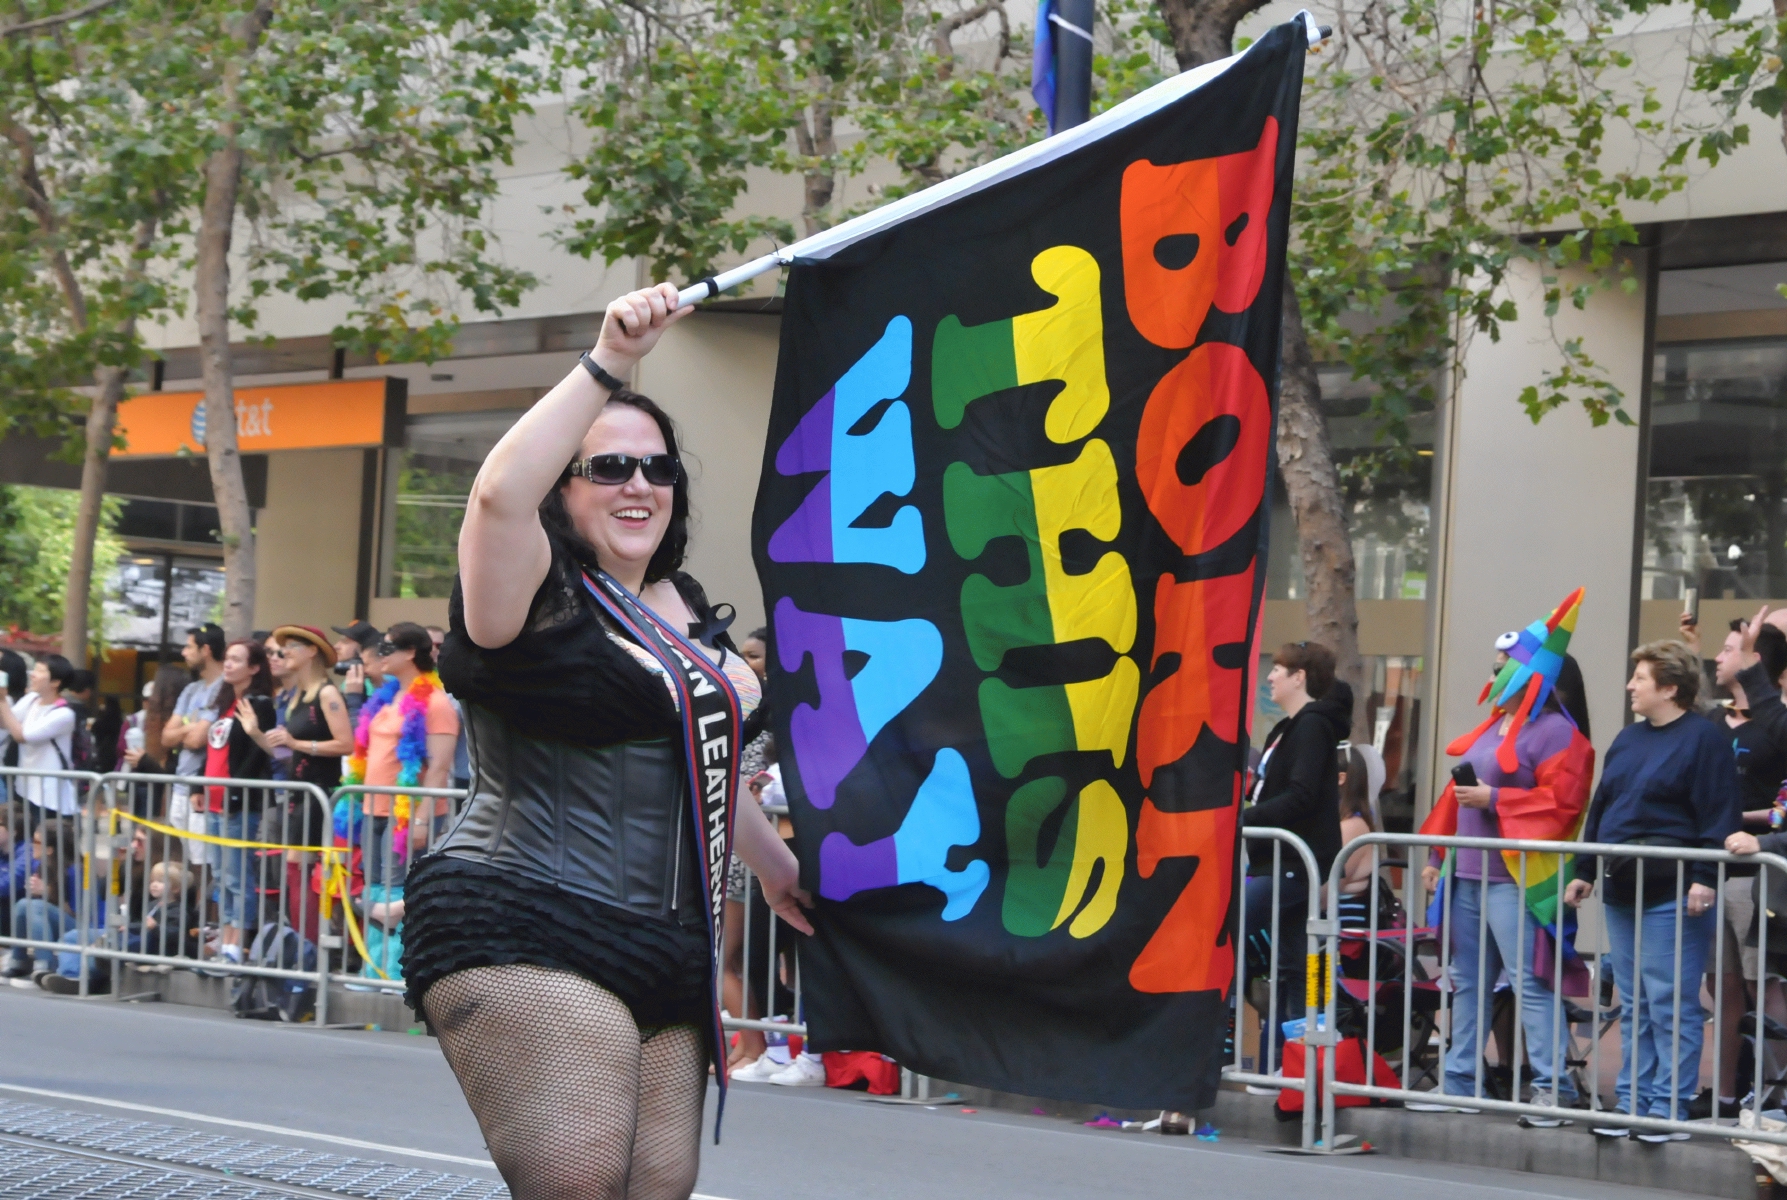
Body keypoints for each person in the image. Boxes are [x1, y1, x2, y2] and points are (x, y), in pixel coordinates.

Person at [403, 282, 809, 1200]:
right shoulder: (527, 595)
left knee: (652, 1190)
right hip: (522, 916)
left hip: (670, 945)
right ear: (563, 487)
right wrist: (611, 362)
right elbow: (498, 494)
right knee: (578, 1182)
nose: (639, 486)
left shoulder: (685, 608)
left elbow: (699, 765)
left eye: (658, 469)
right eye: (610, 468)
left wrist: (776, 872)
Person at [1415, 593, 1595, 1119]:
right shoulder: (1492, 727)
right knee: (1468, 981)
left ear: (1529, 676)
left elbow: (1563, 804)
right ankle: (1460, 1080)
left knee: (1529, 984)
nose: (1494, 675)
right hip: (1467, 872)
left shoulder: (1559, 732)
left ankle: (1551, 1088)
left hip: (1514, 879)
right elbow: (1454, 794)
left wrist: (1497, 799)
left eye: (1504, 667)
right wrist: (1435, 853)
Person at [1564, 639, 1742, 1139]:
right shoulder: (1628, 739)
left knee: (1670, 1001)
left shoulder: (1703, 740)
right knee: (1637, 998)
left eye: (1640, 678)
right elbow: (1602, 809)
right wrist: (1584, 868)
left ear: (1669, 687)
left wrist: (1705, 879)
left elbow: (1717, 810)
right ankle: (1635, 1102)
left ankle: (1667, 1107)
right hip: (1623, 884)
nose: (1630, 686)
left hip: (1674, 887)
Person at [1686, 612, 1787, 1118]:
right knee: (1721, 987)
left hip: (1760, 874)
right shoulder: (1712, 721)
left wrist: (1752, 825)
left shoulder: (1776, 720)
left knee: (1761, 986)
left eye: (1738, 649)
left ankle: (1775, 1097)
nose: (1729, 655)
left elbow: (1782, 802)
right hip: (1715, 871)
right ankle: (1726, 1095)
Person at [1240, 641, 1350, 1067]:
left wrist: (1243, 819)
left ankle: (1287, 1065)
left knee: (1227, 939)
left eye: (1278, 669)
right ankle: (1280, 1068)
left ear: (1300, 677)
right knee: (1289, 968)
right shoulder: (1290, 728)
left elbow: (1301, 795)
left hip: (1289, 864)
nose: (1270, 677)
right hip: (1279, 862)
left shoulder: (1310, 727)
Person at [343, 622, 458, 979]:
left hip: (407, 814)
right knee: (377, 892)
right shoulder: (385, 696)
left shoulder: (436, 702)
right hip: (374, 808)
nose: (380, 655)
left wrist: (422, 819)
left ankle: (394, 977)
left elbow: (439, 767)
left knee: (396, 894)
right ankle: (373, 971)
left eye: (387, 648)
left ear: (411, 653)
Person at [202, 639, 278, 962]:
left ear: (254, 667)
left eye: (236, 659)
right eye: (227, 659)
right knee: (220, 874)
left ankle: (236, 942)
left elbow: (258, 756)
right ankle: (224, 934)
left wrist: (234, 790)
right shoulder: (225, 703)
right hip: (213, 800)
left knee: (237, 875)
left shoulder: (258, 703)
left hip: (239, 802)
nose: (228, 664)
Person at [164, 624, 227, 858]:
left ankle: (202, 897)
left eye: (189, 647)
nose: (183, 652)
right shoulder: (192, 689)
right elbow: (166, 737)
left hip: (202, 789)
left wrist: (185, 731)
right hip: (181, 786)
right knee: (184, 858)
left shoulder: (223, 688)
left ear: (206, 650)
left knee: (204, 861)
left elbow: (197, 741)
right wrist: (191, 727)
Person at [0, 654, 80, 816]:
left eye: (40, 671)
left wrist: (2, 699)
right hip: (24, 788)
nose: (32, 674)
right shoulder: (31, 699)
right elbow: (5, 723)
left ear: (55, 682)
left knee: (44, 838)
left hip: (50, 796)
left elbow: (21, 736)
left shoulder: (63, 714)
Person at [3, 818, 79, 986]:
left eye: (37, 841)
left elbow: (79, 914)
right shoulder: (41, 865)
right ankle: (19, 961)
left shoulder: (75, 870)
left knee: (33, 906)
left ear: (50, 849)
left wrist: (48, 892)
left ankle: (45, 966)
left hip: (79, 927)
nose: (31, 845)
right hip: (55, 924)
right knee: (23, 905)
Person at [332, 620, 382, 724]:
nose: (336, 646)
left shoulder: (377, 681)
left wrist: (354, 696)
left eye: (345, 642)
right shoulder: (352, 679)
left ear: (362, 650)